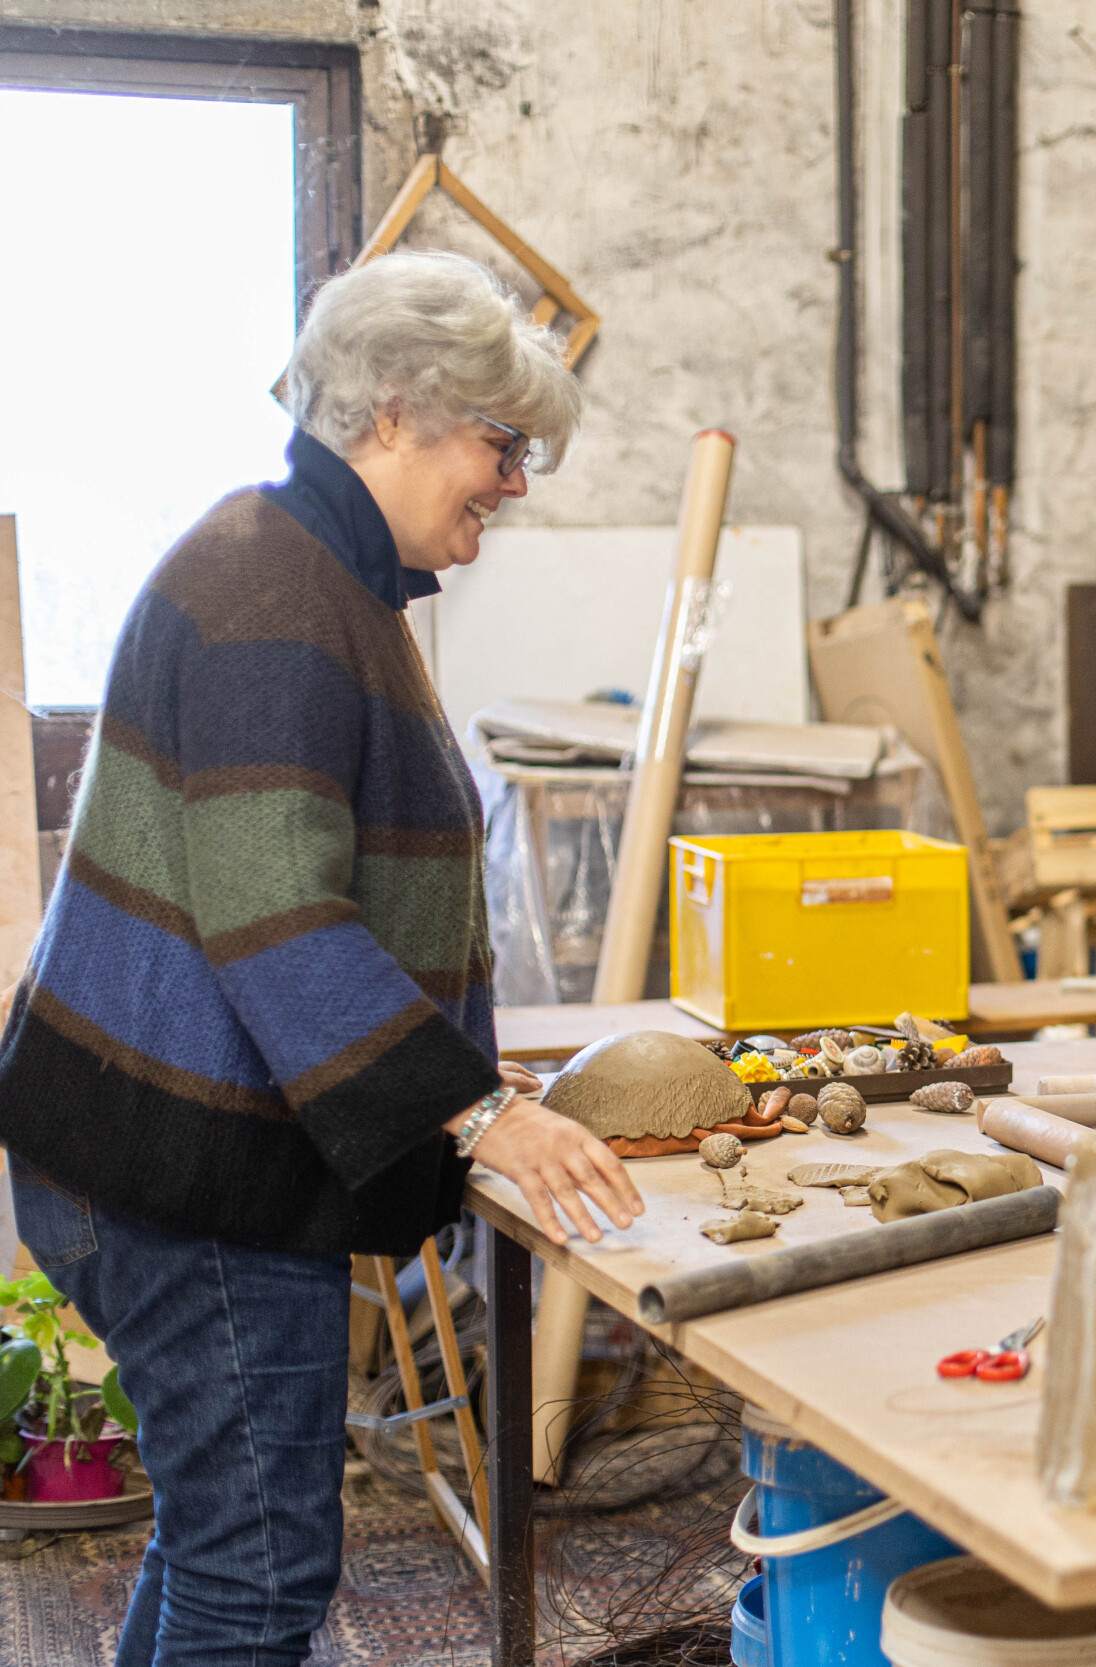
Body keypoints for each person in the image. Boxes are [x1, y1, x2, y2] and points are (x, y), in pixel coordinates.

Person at [0, 250, 645, 1667]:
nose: (515, 481)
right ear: (398, 412)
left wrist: (464, 1070)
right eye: (502, 442)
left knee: (220, 1541)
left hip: (164, 1149)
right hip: (184, 1169)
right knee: (263, 1574)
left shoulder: (306, 569)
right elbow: (275, 914)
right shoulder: (274, 597)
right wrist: (476, 1108)